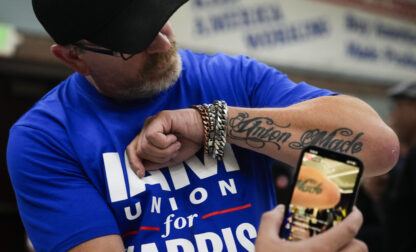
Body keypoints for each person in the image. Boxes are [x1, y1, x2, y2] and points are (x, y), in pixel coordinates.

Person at [6, 0, 398, 251]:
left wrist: (211, 123)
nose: (163, 43)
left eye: (160, 20)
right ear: (73, 58)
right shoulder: (45, 138)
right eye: (134, 41)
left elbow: (378, 148)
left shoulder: (232, 78)